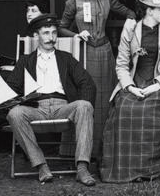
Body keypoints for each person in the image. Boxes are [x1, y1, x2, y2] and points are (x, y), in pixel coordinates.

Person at [101, 0, 160, 183]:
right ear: (149, 10)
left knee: (148, 110)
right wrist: (130, 87)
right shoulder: (131, 29)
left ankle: (148, 170)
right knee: (123, 109)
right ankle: (123, 171)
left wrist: (156, 85)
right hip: (134, 83)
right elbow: (121, 65)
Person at [59, 0, 136, 165]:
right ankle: (81, 151)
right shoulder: (74, 0)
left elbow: (129, 12)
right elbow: (61, 26)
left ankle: (104, 149)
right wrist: (74, 35)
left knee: (104, 99)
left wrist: (130, 24)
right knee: (86, 99)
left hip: (104, 53)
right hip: (83, 54)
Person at [6, 14, 97, 185]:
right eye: (46, 33)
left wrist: (80, 108)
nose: (51, 38)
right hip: (36, 108)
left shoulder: (66, 58)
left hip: (63, 107)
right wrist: (17, 99)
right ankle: (41, 166)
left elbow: (87, 83)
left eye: (54, 33)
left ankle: (82, 168)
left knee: (85, 106)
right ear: (36, 36)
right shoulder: (25, 61)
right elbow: (12, 88)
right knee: (14, 114)